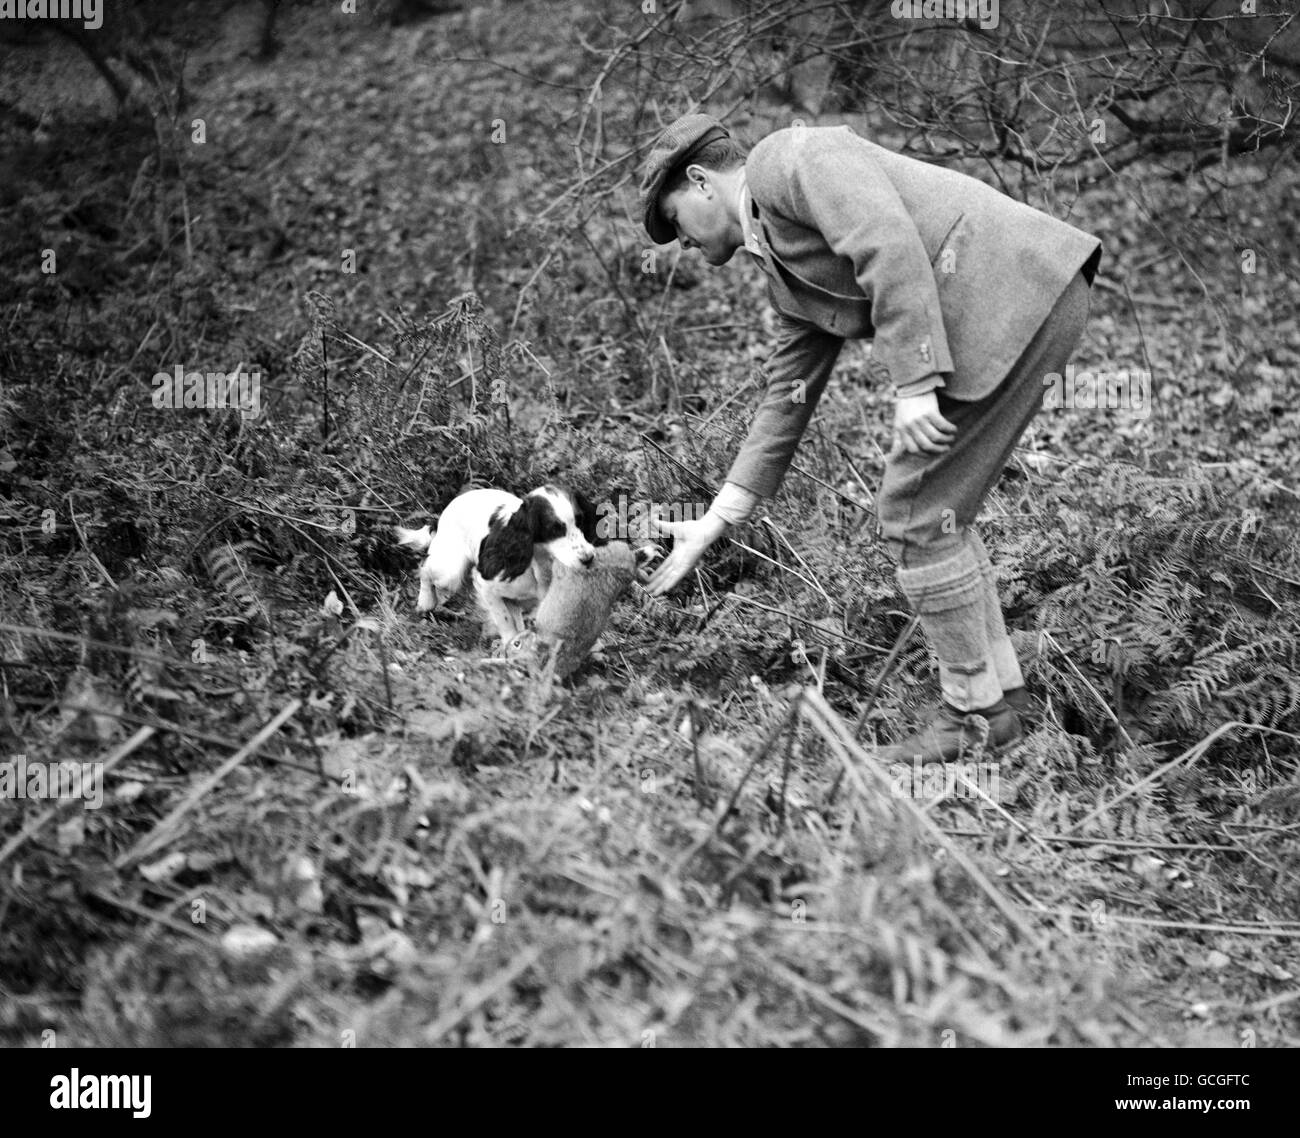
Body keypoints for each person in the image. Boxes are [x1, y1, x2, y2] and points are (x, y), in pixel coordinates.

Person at [640, 113, 1101, 761]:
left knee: (915, 515)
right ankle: (1002, 703)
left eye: (675, 219)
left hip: (1009, 289)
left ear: (700, 181)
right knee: (937, 519)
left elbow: (885, 240)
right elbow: (787, 395)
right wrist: (718, 518)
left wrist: (914, 380)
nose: (679, 241)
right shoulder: (780, 271)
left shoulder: (789, 159)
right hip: (1014, 300)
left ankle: (974, 717)